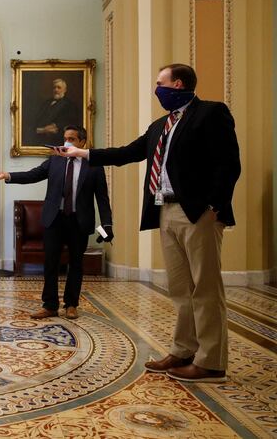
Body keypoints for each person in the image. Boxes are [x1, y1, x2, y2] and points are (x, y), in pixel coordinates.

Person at [57, 63, 240, 383]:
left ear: (178, 83)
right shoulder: (160, 126)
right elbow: (128, 153)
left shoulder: (210, 113)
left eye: (161, 83)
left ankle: (211, 361)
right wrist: (81, 154)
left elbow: (228, 164)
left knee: (205, 287)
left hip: (198, 212)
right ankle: (183, 350)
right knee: (181, 288)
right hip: (165, 211)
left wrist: (214, 206)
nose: (157, 89)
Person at [0, 125, 112, 319]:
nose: (67, 142)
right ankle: (50, 305)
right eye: (65, 138)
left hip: (79, 220)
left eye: (72, 139)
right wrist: (6, 175)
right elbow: (33, 175)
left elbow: (102, 199)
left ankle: (71, 305)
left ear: (82, 142)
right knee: (50, 263)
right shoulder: (55, 160)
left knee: (76, 264)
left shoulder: (94, 165)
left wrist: (107, 225)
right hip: (54, 218)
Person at [30, 79, 81, 146]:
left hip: (57, 140)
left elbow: (71, 124)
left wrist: (55, 126)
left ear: (65, 90)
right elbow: (36, 120)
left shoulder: (70, 105)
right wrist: (42, 129)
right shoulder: (46, 103)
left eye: (59, 87)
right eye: (54, 87)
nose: (56, 90)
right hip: (40, 138)